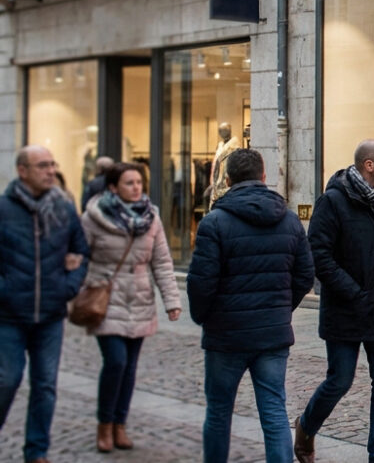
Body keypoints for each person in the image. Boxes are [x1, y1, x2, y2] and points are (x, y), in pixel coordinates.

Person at [188, 148, 315, 463]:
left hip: (226, 334)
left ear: (227, 180)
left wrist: (204, 317)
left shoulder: (214, 222)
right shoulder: (288, 219)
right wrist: (281, 310)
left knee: (219, 411)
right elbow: (305, 275)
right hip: (271, 334)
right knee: (273, 411)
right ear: (263, 177)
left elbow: (201, 282)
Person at [295, 140, 374, 463]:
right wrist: (354, 292)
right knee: (340, 380)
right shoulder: (333, 201)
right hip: (345, 308)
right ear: (369, 165)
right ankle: (306, 426)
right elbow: (318, 255)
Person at [81, 162, 182, 452]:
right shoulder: (93, 217)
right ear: (113, 187)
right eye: (129, 182)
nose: (136, 187)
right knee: (116, 362)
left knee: (129, 367)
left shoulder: (151, 218)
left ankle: (120, 425)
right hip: (106, 298)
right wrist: (76, 288)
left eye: (139, 182)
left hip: (139, 299)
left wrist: (172, 301)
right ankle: (104, 424)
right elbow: (78, 255)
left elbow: (162, 262)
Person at [0, 146, 90, 463]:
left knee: (45, 386)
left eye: (53, 164)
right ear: (22, 170)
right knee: (7, 379)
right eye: (42, 166)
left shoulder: (63, 208)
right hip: (9, 316)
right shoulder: (3, 208)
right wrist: (6, 289)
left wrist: (68, 286)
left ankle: (36, 452)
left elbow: (82, 252)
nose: (51, 170)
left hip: (51, 314)